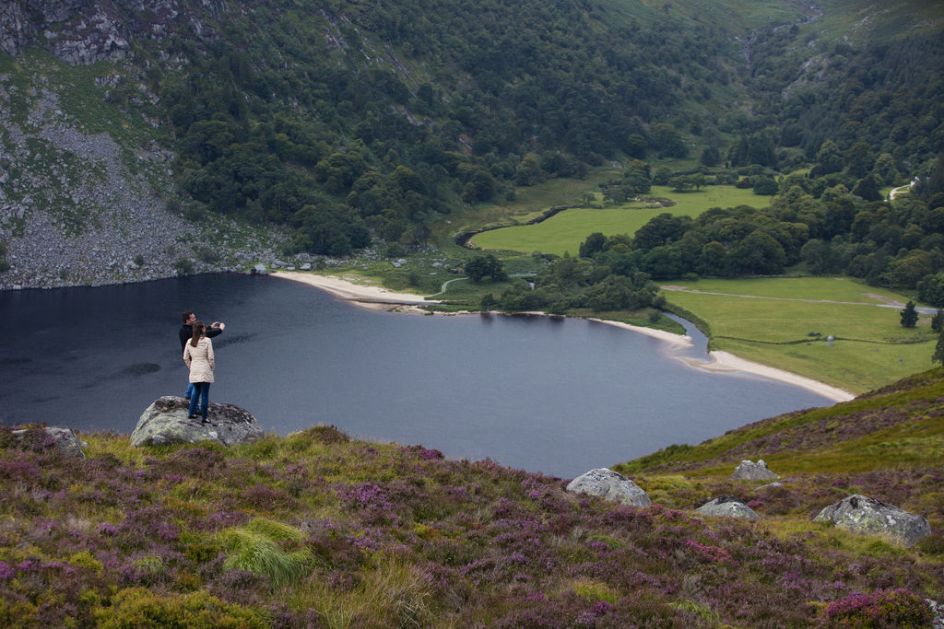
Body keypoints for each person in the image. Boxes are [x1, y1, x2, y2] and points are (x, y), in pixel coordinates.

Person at [179, 310, 224, 399]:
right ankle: (192, 401)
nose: (195, 319)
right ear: (187, 320)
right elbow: (205, 335)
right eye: (193, 318)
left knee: (195, 377)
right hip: (195, 357)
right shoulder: (189, 332)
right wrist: (220, 330)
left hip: (191, 356)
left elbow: (199, 332)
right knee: (198, 380)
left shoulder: (184, 330)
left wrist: (210, 327)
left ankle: (188, 394)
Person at [183, 320, 215, 422]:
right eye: (204, 327)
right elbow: (211, 357)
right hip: (205, 369)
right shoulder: (207, 341)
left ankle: (191, 413)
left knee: (196, 392)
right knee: (204, 394)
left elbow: (185, 358)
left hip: (194, 369)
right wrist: (211, 367)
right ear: (201, 329)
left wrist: (190, 366)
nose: (205, 329)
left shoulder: (189, 341)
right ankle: (205, 417)